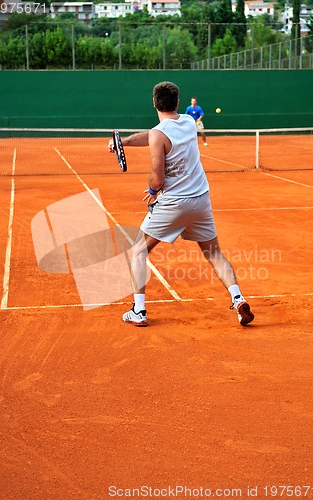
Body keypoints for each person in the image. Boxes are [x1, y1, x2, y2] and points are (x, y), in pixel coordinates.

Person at [108, 81, 254, 328]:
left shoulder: (158, 134)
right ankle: (238, 299)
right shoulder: (187, 121)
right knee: (214, 254)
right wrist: (127, 142)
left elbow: (158, 173)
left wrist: (154, 190)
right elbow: (154, 135)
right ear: (177, 103)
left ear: (154, 103)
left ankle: (139, 310)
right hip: (200, 201)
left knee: (138, 251)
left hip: (173, 203)